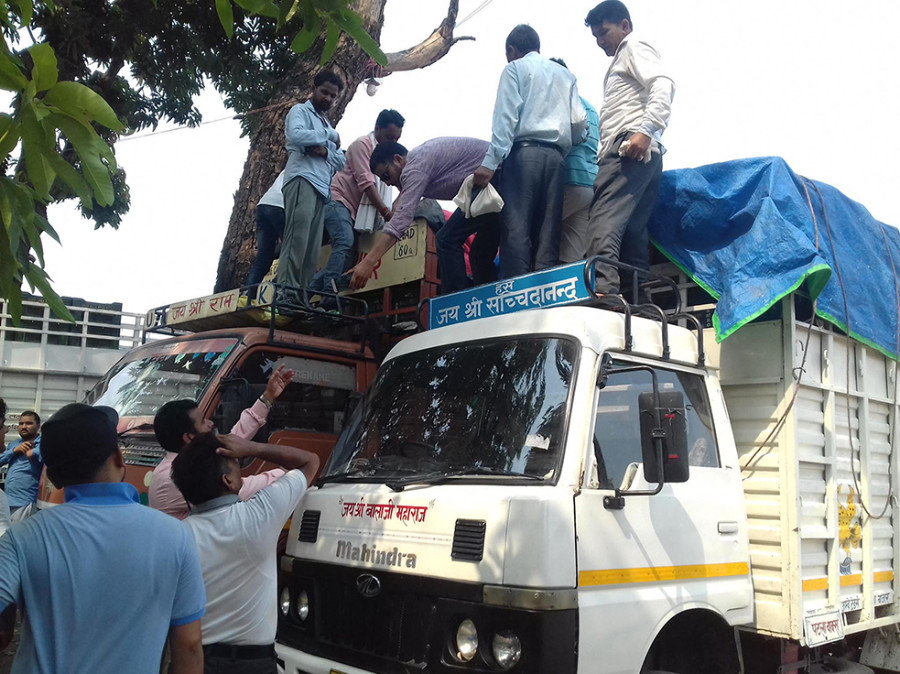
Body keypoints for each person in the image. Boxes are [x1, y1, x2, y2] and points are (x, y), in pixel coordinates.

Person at [0, 403, 206, 673]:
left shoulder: (22, 538)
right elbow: (189, 645)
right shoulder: (175, 535)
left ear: (53, 476)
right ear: (119, 458)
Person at [172, 433, 320, 674]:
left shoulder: (178, 535)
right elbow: (309, 461)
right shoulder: (259, 514)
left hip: (197, 661)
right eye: (237, 464)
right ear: (227, 481)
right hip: (253, 664)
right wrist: (251, 447)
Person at [473, 24, 586, 280]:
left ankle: (516, 296)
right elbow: (579, 122)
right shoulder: (565, 75)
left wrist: (490, 163)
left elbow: (505, 118)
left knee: (516, 230)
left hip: (524, 156)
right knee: (548, 231)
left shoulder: (514, 69)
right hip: (557, 158)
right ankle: (543, 291)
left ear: (512, 50)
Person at [584, 0, 675, 294]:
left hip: (628, 148)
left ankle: (603, 292)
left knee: (603, 221)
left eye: (604, 32)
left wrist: (645, 130)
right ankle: (637, 303)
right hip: (645, 153)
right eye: (595, 36)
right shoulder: (625, 54)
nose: (599, 42)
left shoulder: (633, 46)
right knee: (634, 232)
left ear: (624, 25)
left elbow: (663, 84)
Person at [348, 137, 500, 294]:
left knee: (446, 240)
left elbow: (401, 221)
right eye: (383, 180)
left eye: (386, 175)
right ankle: (490, 301)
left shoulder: (414, 166)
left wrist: (368, 262)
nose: (388, 183)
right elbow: (405, 200)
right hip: (491, 188)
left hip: (494, 181)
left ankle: (457, 303)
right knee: (478, 256)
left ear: (398, 159)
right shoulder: (418, 162)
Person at [149, 365, 293, 520]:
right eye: (203, 421)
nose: (211, 423)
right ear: (189, 437)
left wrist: (267, 397)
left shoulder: (192, 460)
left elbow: (234, 439)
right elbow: (241, 488)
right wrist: (291, 474)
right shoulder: (173, 476)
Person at [311, 109, 405, 295]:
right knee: (345, 243)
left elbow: (398, 182)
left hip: (353, 212)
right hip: (338, 201)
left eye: (396, 139)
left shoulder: (387, 155)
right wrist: (386, 213)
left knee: (348, 257)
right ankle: (329, 297)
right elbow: (367, 184)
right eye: (389, 137)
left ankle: (306, 292)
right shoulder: (362, 145)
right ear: (377, 129)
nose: (392, 143)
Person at [278, 70, 346, 300]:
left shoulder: (324, 122)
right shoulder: (300, 111)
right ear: (314, 89)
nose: (327, 98)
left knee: (311, 249)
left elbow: (341, 160)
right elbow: (296, 136)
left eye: (332, 95)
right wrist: (330, 135)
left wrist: (324, 149)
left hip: (321, 187)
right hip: (302, 179)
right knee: (296, 239)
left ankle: (300, 298)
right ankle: (285, 293)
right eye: (324, 92)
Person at [549, 58, 601, 264]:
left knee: (537, 237)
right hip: (590, 185)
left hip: (568, 182)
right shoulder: (591, 108)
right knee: (571, 259)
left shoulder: (563, 103)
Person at [246, 170, 286, 288]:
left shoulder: (289, 167)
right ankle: (277, 286)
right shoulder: (311, 166)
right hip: (280, 205)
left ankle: (248, 293)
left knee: (264, 256)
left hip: (264, 204)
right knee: (293, 247)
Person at [0, 411, 43, 514]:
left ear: (38, 426)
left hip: (26, 503)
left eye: (29, 423)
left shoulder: (43, 443)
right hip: (7, 502)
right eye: (21, 423)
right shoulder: (14, 444)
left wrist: (33, 453)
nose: (24, 426)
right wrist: (14, 451)